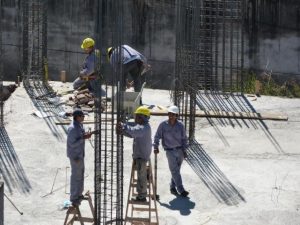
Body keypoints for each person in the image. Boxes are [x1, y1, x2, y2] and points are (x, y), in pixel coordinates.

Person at [153, 105, 189, 197]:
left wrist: (184, 150)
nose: (171, 116)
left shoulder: (181, 125)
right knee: (174, 170)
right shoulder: (163, 125)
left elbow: (184, 138)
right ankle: (181, 189)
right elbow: (157, 136)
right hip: (169, 151)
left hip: (180, 150)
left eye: (173, 114)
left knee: (176, 170)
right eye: (170, 114)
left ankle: (172, 186)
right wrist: (155, 147)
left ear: (177, 115)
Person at [117, 106, 152, 202]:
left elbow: (134, 131)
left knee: (141, 176)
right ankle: (142, 193)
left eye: (136, 116)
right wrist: (122, 132)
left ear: (142, 117)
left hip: (142, 156)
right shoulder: (141, 126)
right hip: (140, 154)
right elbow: (132, 133)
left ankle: (142, 196)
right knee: (141, 174)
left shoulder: (144, 127)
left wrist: (123, 126)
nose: (135, 118)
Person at [67, 109, 92, 206]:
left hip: (80, 154)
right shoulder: (73, 128)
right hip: (75, 156)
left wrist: (85, 135)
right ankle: (73, 198)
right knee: (75, 176)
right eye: (82, 116)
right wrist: (83, 138)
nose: (84, 118)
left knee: (80, 175)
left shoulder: (79, 125)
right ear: (77, 117)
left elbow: (80, 137)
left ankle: (79, 194)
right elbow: (72, 143)